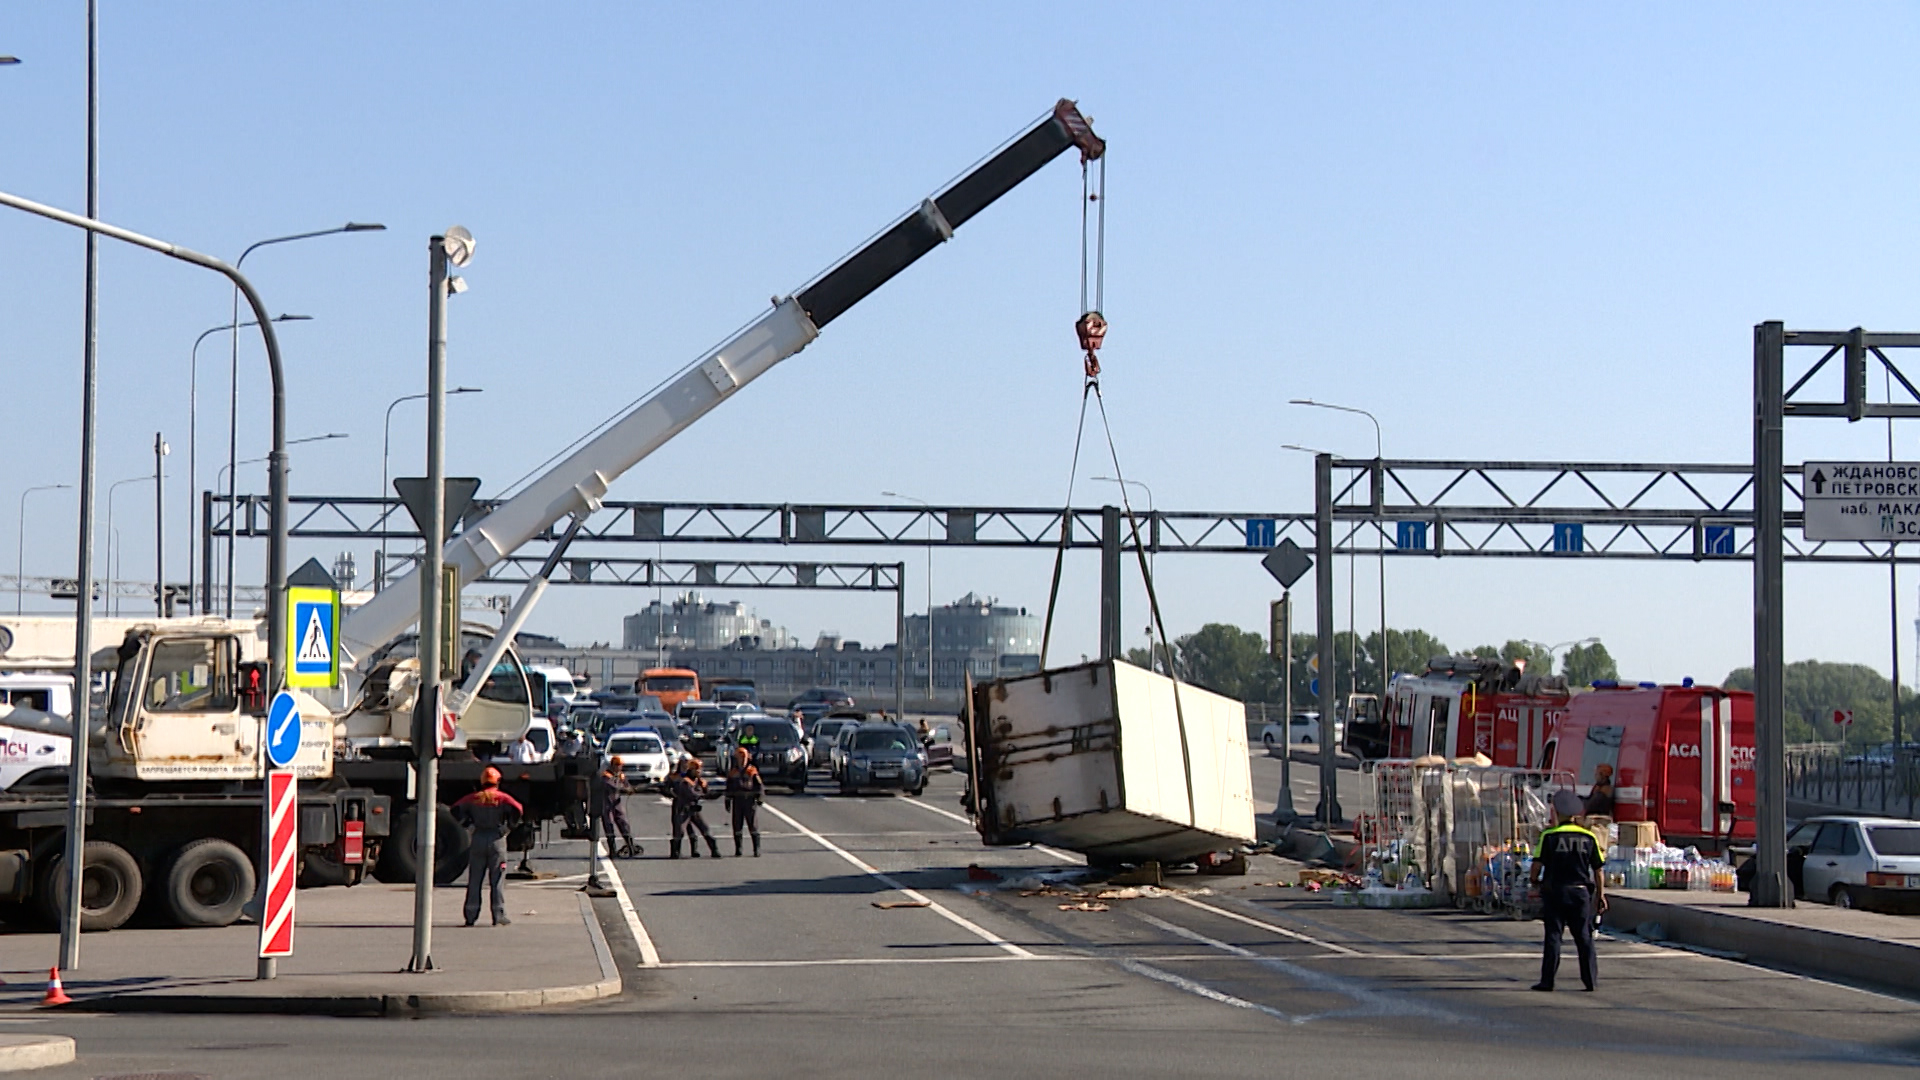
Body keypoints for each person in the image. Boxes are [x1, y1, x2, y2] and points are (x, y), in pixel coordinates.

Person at [1529, 789, 1606, 991]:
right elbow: (1598, 870)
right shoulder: (1589, 837)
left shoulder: (1549, 836)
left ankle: (1548, 982)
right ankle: (1590, 981)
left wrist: (1534, 881)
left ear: (1557, 813)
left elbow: (1536, 866)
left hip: (1555, 892)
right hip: (1581, 893)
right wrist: (1601, 895)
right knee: (1584, 937)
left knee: (1554, 936)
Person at [451, 766, 525, 927]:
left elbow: (455, 809)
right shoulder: (502, 797)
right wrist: (509, 827)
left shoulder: (473, 798)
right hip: (496, 838)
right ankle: (498, 914)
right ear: (497, 781)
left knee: (475, 879)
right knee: (497, 878)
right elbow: (518, 809)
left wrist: (468, 826)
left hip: (478, 837)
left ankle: (471, 914)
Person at [670, 757, 721, 859]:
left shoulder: (699, 781)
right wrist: (706, 795)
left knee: (705, 828)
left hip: (694, 809)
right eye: (696, 768)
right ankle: (675, 852)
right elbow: (692, 794)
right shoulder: (684, 781)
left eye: (699, 769)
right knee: (679, 830)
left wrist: (711, 791)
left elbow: (706, 791)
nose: (698, 771)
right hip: (683, 808)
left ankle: (714, 850)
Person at [724, 746, 765, 857]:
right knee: (737, 825)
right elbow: (728, 788)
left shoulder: (752, 771)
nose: (741, 759)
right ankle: (738, 848)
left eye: (743, 757)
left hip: (749, 801)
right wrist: (727, 800)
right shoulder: (733, 772)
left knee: (753, 825)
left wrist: (760, 797)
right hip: (737, 801)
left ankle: (756, 848)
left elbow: (759, 785)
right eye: (739, 757)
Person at [597, 757, 641, 858]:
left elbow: (627, 785)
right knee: (609, 824)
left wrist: (632, 789)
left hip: (617, 803)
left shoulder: (621, 775)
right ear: (613, 765)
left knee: (623, 823)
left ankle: (630, 847)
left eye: (621, 765)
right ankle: (612, 850)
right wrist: (625, 789)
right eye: (618, 765)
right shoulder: (606, 775)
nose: (620, 767)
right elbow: (613, 786)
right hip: (607, 804)